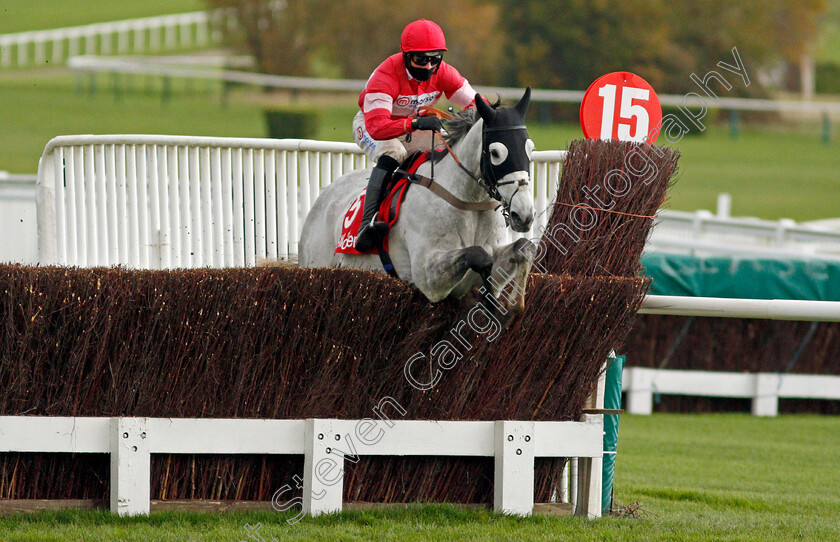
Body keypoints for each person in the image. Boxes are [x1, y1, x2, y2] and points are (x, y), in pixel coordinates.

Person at [352, 19, 481, 252]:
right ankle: (366, 224)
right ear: (405, 55)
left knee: (445, 149)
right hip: (372, 124)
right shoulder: (385, 76)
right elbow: (378, 127)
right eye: (421, 59)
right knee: (395, 152)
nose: (429, 66)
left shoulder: (445, 73)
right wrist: (415, 122)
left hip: (413, 124)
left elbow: (478, 105)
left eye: (435, 59)